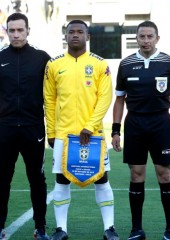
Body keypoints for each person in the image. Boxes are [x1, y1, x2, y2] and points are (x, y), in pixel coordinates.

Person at [44, 20, 119, 240]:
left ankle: (109, 228)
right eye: (71, 32)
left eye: (80, 32)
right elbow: (49, 99)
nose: (75, 35)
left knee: (102, 179)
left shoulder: (99, 64)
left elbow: (105, 98)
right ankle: (61, 229)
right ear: (65, 36)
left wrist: (89, 126)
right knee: (62, 180)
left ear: (88, 36)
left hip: (93, 135)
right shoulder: (54, 65)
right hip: (63, 135)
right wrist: (51, 132)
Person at [111, 20, 170, 240]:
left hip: (160, 124)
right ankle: (137, 229)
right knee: (136, 175)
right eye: (141, 36)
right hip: (134, 124)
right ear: (136, 38)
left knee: (164, 175)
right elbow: (119, 100)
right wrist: (116, 131)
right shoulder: (125, 64)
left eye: (149, 36)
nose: (145, 40)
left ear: (157, 38)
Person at [0, 12, 50, 240]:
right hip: (5, 127)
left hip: (34, 127)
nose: (16, 34)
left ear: (28, 31)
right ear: (6, 32)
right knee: (3, 177)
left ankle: (40, 228)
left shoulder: (42, 58)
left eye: (20, 30)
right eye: (11, 30)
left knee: (37, 178)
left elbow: (53, 91)